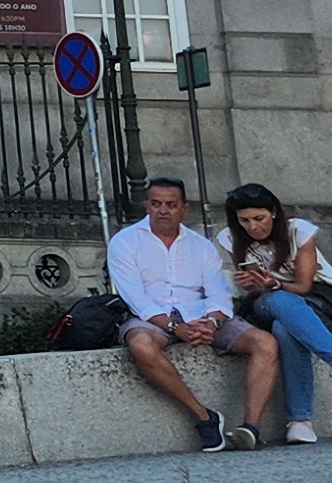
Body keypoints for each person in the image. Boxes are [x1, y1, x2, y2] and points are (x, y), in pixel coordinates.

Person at [111, 176, 282, 454]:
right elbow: (135, 297)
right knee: (140, 345)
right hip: (152, 318)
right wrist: (175, 326)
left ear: (184, 209)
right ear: (147, 206)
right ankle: (204, 417)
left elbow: (218, 292)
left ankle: (250, 429)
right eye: (155, 204)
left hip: (201, 314)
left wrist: (212, 322)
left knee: (265, 343)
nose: (162, 210)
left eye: (170, 205)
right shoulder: (124, 242)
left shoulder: (201, 245)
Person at [218, 183, 332, 442]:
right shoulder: (231, 238)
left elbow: (303, 286)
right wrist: (251, 284)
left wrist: (274, 282)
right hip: (264, 303)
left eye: (259, 218)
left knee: (284, 329)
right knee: (277, 300)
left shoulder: (298, 231)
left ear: (274, 213)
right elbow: (254, 290)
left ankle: (300, 422)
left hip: (315, 299)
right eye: (244, 220)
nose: (252, 227)